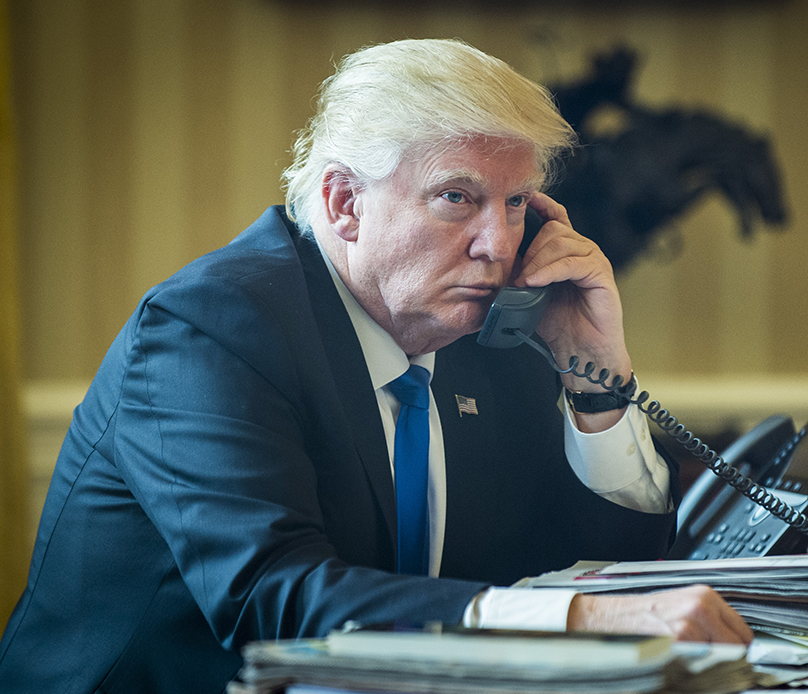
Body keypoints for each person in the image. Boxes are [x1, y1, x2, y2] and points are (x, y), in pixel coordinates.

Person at [0, 39, 752, 693]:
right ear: (344, 203)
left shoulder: (490, 336)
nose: (497, 244)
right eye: (457, 198)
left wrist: (597, 389)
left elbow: (596, 573)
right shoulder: (211, 327)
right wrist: (579, 618)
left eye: (518, 202)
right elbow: (275, 598)